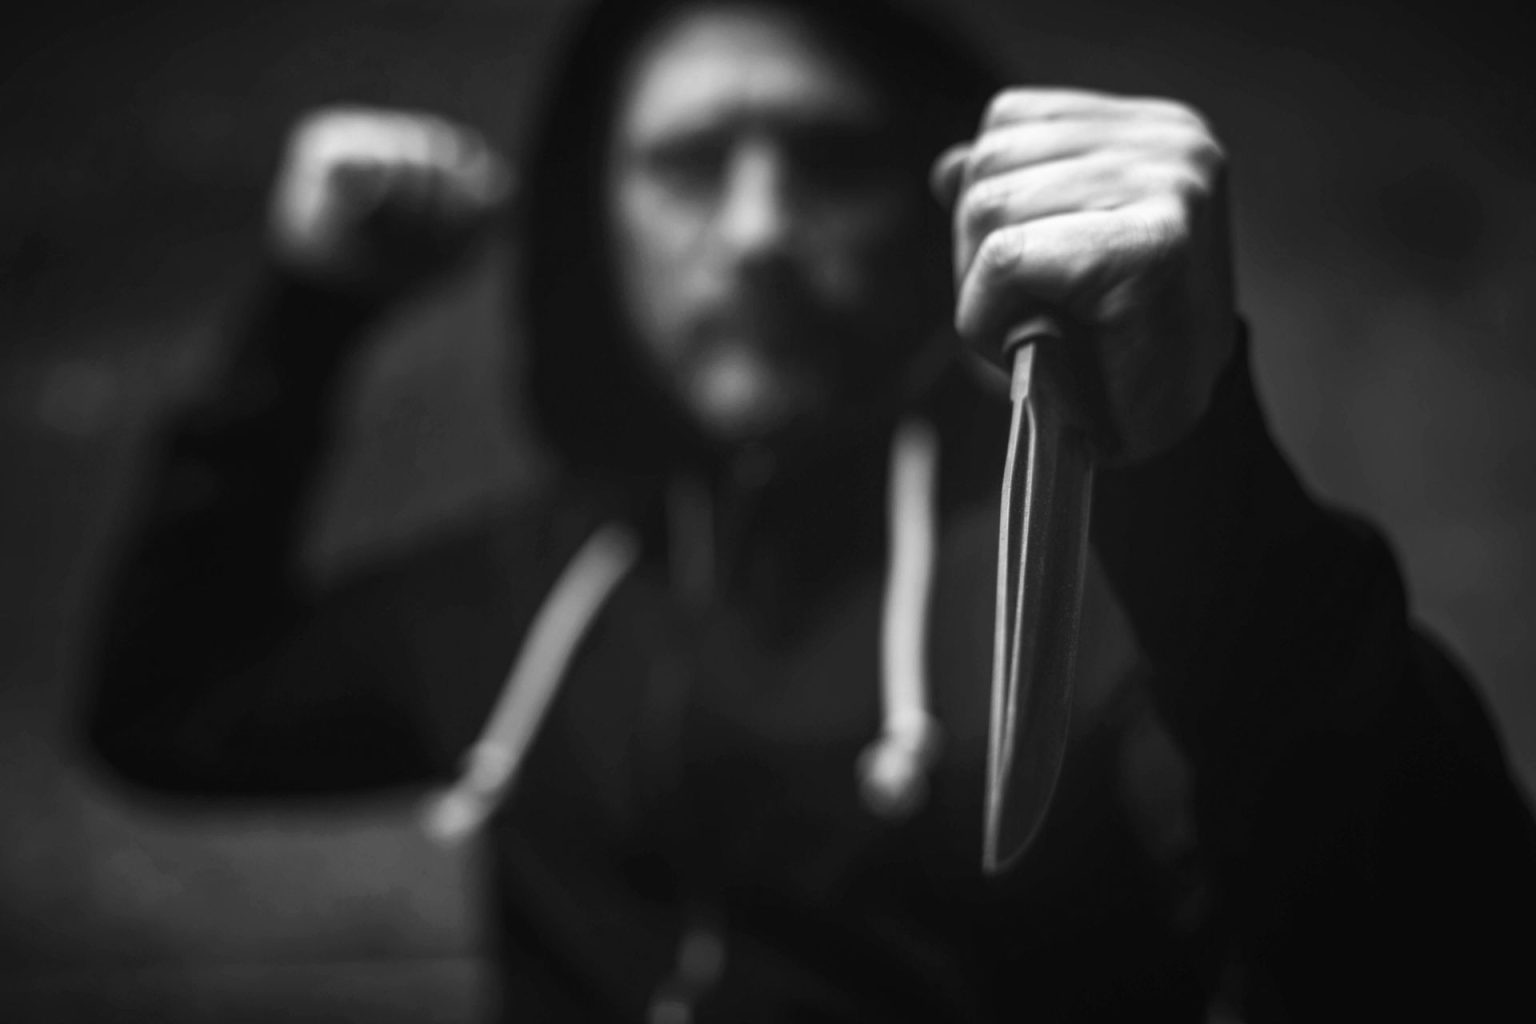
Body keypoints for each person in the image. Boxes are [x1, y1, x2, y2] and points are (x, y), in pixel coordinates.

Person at [84, 0, 1536, 1020]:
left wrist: (1197, 459)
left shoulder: (1085, 596)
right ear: (596, 223)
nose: (759, 231)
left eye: (826, 156)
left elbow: (1435, 964)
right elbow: (166, 710)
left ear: (931, 200)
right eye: (686, 164)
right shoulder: (523, 587)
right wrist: (310, 314)